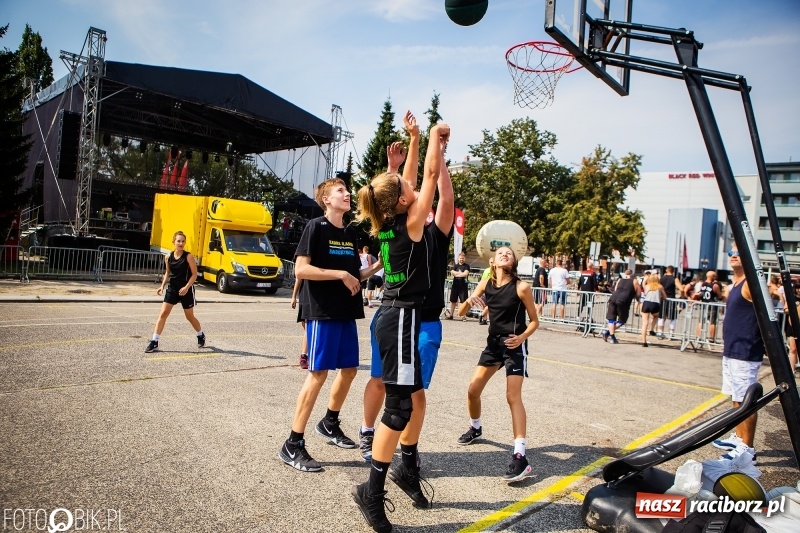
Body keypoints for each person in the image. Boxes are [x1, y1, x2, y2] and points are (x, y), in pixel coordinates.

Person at [351, 115, 449, 532]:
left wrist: (413, 141)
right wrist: (430, 138)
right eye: (409, 191)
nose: (412, 187)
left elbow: (408, 179)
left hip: (393, 317)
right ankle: (371, 491)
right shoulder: (408, 223)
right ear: (405, 202)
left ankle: (401, 472)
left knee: (405, 404)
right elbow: (424, 175)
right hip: (401, 320)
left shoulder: (391, 222)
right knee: (399, 410)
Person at [278, 177, 378, 472]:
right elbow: (302, 268)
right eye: (340, 191)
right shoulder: (316, 227)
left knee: (349, 371)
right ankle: (292, 443)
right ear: (326, 200)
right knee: (318, 374)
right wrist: (340, 275)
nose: (347, 194)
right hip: (322, 311)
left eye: (347, 191)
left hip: (346, 311)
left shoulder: (349, 232)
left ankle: (329, 422)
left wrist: (378, 266)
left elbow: (354, 275)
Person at [456, 246, 540, 482]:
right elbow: (461, 312)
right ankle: (476, 427)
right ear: (492, 261)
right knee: (473, 390)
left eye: (509, 253)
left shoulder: (521, 287)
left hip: (514, 344)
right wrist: (470, 301)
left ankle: (520, 456)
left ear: (513, 262)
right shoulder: (487, 284)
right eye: (501, 253)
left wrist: (521, 338)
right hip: (493, 345)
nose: (505, 254)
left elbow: (535, 321)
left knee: (512, 396)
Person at [711, 247, 764, 464]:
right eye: (731, 251)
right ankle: (739, 439)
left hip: (745, 350)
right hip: (732, 349)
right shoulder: (735, 283)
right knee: (736, 397)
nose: (734, 254)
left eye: (739, 251)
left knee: (745, 401)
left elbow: (764, 303)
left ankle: (747, 450)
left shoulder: (750, 283)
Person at [145, 230, 205, 353]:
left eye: (183, 241)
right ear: (174, 242)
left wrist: (187, 287)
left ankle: (200, 334)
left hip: (186, 289)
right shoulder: (168, 257)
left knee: (189, 316)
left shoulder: (188, 256)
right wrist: (162, 286)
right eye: (178, 241)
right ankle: (154, 341)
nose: (181, 243)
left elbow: (194, 275)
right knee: (163, 314)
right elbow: (167, 273)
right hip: (172, 288)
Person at [603, 269, 641, 344]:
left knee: (611, 319)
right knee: (622, 320)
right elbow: (638, 293)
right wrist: (636, 298)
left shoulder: (619, 280)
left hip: (613, 298)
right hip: (623, 301)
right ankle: (608, 333)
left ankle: (611, 336)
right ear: (632, 275)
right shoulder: (634, 281)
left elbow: (616, 290)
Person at [695, 270, 723, 343]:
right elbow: (720, 296)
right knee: (712, 322)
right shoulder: (715, 285)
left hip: (704, 304)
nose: (716, 277)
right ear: (712, 276)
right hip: (712, 305)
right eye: (715, 276)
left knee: (701, 321)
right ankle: (711, 338)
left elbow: (701, 293)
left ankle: (698, 336)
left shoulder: (702, 284)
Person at [657, 265, 682, 340]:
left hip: (663, 299)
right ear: (673, 271)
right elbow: (681, 289)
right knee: (672, 317)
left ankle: (660, 333)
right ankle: (671, 334)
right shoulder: (674, 279)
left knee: (661, 316)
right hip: (672, 299)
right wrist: (682, 296)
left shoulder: (662, 278)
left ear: (666, 270)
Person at [640, 274, 666, 347]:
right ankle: (651, 329)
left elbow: (643, 285)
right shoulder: (660, 286)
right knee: (656, 316)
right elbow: (665, 296)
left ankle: (644, 341)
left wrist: (645, 279)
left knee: (644, 323)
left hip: (646, 303)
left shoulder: (647, 286)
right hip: (655, 304)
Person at [291, 277, 308, 369]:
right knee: (305, 325)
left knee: (308, 327)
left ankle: (304, 355)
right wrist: (294, 297)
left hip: (316, 297)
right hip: (305, 296)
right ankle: (305, 355)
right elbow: (298, 278)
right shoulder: (304, 264)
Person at [448, 252, 470, 320]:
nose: (461, 259)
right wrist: (460, 273)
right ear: (458, 258)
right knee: (453, 301)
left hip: (463, 287)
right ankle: (451, 315)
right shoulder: (455, 265)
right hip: (455, 286)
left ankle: (463, 316)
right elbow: (452, 272)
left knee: (463, 302)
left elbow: (465, 274)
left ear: (465, 259)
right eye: (460, 258)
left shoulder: (466, 266)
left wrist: (457, 274)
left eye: (463, 258)